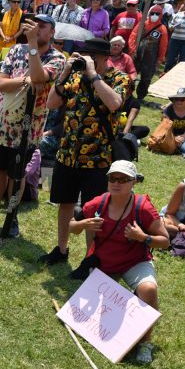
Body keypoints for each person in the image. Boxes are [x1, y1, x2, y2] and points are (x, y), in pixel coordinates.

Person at [0, 17, 65, 238]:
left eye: (42, 26)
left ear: (51, 32)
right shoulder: (15, 50)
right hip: (2, 123)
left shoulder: (58, 58)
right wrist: (25, 81)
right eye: (33, 25)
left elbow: (39, 77)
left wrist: (33, 46)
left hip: (28, 128)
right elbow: (1, 84)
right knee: (0, 169)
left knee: (18, 174)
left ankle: (11, 217)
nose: (35, 28)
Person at [69, 161, 169, 364]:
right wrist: (83, 224)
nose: (117, 183)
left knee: (149, 290)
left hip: (135, 262)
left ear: (133, 182)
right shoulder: (98, 203)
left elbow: (165, 241)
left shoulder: (143, 207)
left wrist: (143, 237)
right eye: (113, 178)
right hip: (105, 264)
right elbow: (71, 226)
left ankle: (145, 343)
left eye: (123, 179)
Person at [42, 38, 128, 265]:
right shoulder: (74, 77)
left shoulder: (119, 78)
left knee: (94, 211)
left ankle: (91, 258)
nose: (86, 61)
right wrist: (65, 72)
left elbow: (115, 103)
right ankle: (61, 250)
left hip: (97, 159)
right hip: (68, 154)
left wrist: (94, 75)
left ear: (104, 58)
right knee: (65, 203)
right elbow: (51, 104)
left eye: (91, 58)